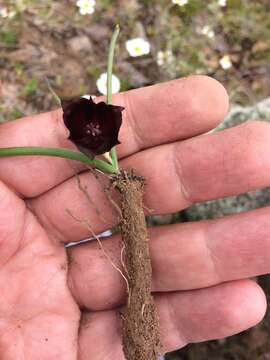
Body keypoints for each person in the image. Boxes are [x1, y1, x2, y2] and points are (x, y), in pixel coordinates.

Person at [0, 75, 269, 359]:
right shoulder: (85, 137)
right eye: (88, 128)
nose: (92, 130)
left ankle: (144, 344)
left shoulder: (111, 123)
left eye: (96, 127)